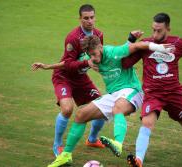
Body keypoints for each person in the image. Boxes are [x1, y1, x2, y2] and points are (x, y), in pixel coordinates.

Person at [46, 34, 174, 167]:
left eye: (95, 54)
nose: (94, 59)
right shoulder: (90, 58)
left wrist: (158, 47)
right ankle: (66, 155)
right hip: (113, 94)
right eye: (90, 55)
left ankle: (118, 143)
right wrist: (47, 66)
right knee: (81, 115)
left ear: (100, 47)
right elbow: (68, 64)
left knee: (117, 108)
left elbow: (136, 46)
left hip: (131, 90)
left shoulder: (113, 52)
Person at [121, 13, 182, 167]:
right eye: (153, 30)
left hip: (175, 94)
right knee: (147, 124)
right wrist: (131, 40)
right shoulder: (146, 44)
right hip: (153, 93)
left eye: (159, 31)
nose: (154, 35)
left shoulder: (178, 43)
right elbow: (125, 63)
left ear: (168, 28)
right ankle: (138, 160)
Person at [33, 4, 107, 157]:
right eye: (86, 18)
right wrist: (87, 63)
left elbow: (99, 55)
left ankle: (92, 139)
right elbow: (68, 64)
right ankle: (58, 144)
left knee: (102, 108)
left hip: (81, 78)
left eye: (92, 17)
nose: (89, 21)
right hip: (64, 76)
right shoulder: (73, 38)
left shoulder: (99, 35)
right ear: (80, 19)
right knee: (67, 110)